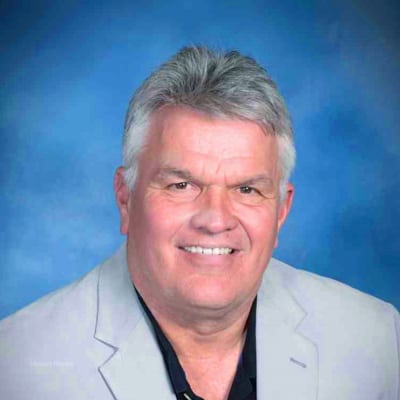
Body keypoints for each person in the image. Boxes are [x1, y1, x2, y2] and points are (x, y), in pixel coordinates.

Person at [0, 46, 398, 400]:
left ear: (281, 211)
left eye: (247, 189)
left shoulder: (376, 341)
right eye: (181, 185)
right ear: (125, 199)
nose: (215, 219)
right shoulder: (17, 366)